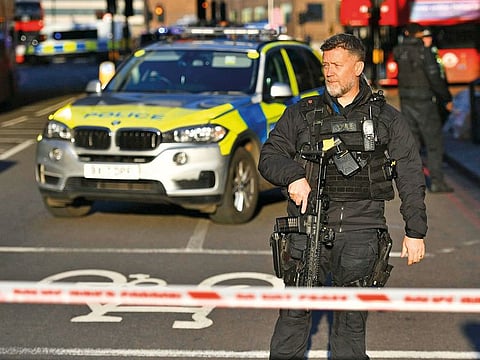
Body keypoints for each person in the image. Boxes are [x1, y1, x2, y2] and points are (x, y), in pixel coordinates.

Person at [258, 33, 427, 360]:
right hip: (307, 229)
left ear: (358, 67)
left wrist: (415, 230)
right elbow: (270, 156)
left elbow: (409, 171)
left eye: (337, 65)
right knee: (293, 317)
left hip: (361, 232)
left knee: (350, 325)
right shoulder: (302, 113)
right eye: (325, 65)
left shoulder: (385, 118)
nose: (329, 72)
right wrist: (292, 176)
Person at [393, 23, 453, 193]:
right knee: (434, 143)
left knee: (413, 144)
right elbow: (435, 78)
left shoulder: (399, 51)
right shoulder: (424, 53)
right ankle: (436, 181)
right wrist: (446, 99)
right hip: (425, 102)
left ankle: (412, 183)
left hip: (406, 100)